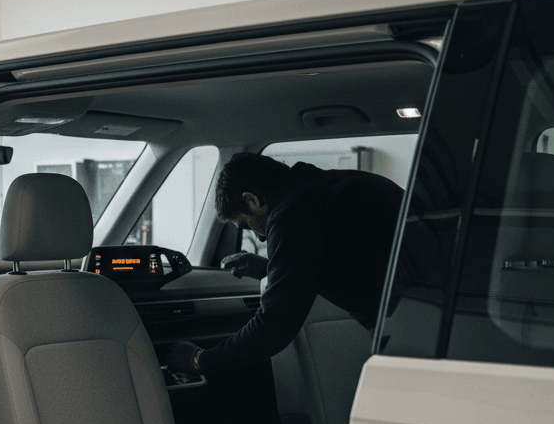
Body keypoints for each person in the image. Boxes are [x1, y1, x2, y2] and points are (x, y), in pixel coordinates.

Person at [167, 152, 403, 376]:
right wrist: (267, 267)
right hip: (418, 319)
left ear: (252, 200)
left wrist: (199, 360)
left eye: (247, 225)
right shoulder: (340, 184)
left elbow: (274, 326)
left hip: (406, 336)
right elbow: (345, 261)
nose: (260, 237)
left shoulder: (291, 216)